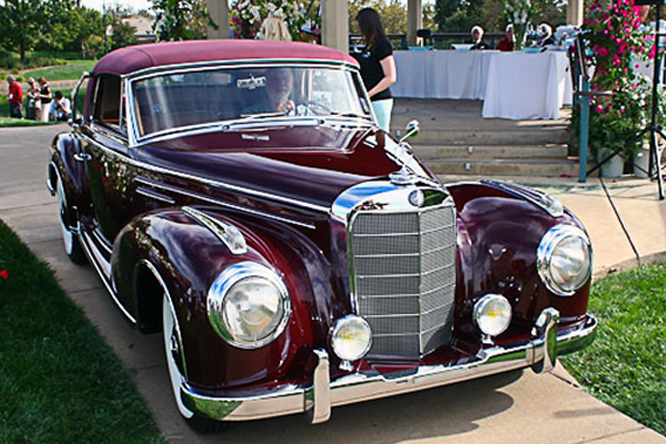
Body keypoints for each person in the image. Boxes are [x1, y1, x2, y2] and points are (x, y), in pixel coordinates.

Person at [354, 7, 397, 133]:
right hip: (367, 100)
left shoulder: (382, 44)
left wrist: (369, 94)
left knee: (380, 134)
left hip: (378, 100)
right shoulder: (368, 46)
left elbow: (390, 77)